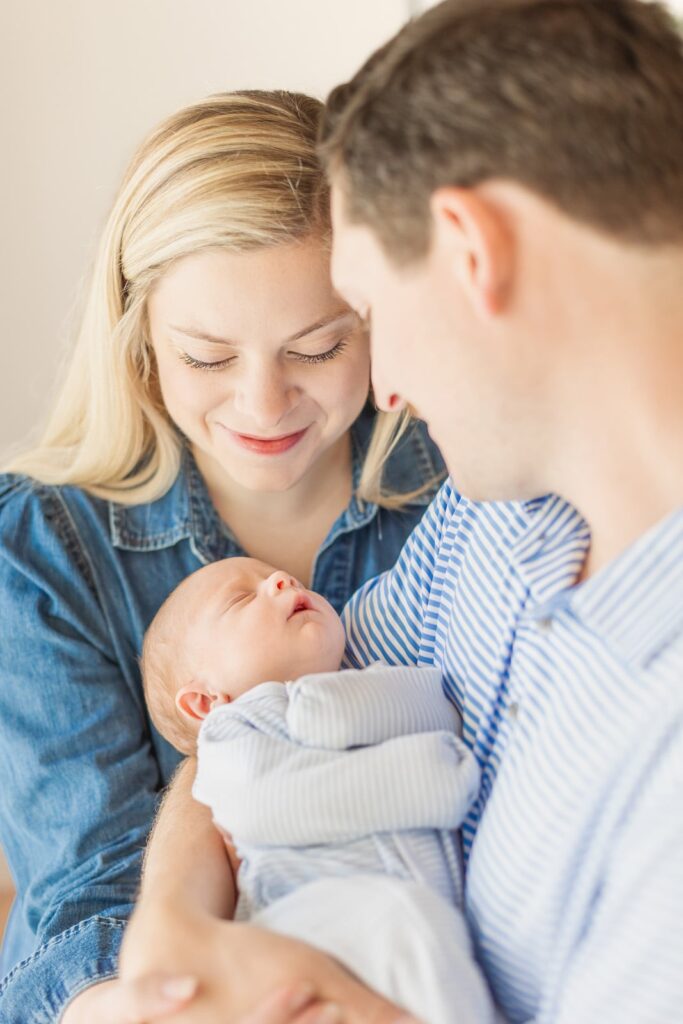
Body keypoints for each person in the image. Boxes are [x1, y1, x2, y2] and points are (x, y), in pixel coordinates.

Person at [115, 1, 683, 1022]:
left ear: (471, 249)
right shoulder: (488, 516)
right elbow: (250, 714)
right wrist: (174, 919)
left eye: (364, 317)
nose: (391, 394)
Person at [0, 91, 444, 1023]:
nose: (263, 404)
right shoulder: (43, 553)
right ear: (140, 345)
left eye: (319, 347)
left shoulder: (463, 484)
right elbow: (82, 895)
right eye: (207, 358)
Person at [137, 555, 490, 1024]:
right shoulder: (232, 730)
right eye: (243, 598)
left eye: (284, 579)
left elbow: (442, 711)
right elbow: (262, 805)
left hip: (420, 921)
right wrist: (425, 777)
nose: (280, 581)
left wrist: (336, 707)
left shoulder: (372, 678)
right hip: (303, 921)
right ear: (205, 701)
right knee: (404, 923)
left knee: (424, 943)